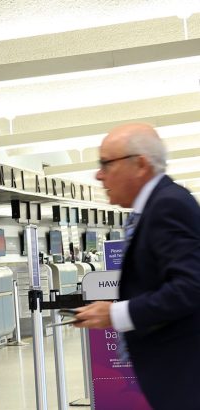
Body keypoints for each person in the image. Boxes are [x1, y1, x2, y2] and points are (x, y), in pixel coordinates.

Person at [74, 123, 200, 410]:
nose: (99, 174)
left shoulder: (168, 205)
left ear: (140, 164)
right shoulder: (158, 205)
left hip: (185, 377)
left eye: (106, 163)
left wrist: (116, 313)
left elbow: (191, 287)